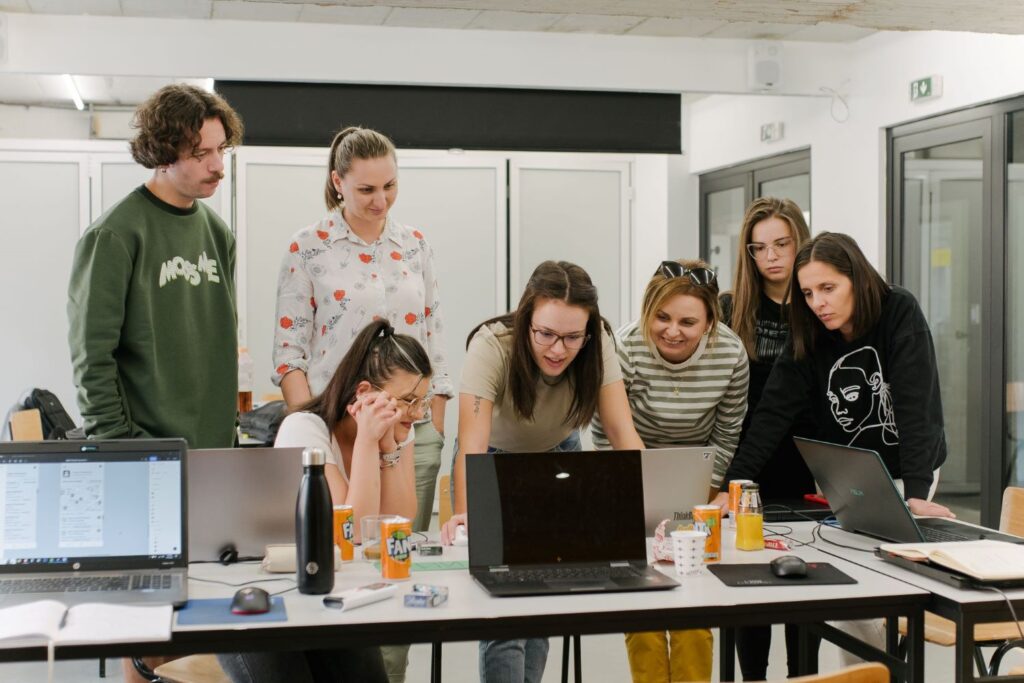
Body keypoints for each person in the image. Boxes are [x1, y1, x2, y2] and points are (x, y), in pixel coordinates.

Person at [66, 84, 243, 683]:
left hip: (212, 461)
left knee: (203, 626)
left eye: (221, 150)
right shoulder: (116, 235)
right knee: (145, 634)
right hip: (142, 461)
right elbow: (91, 358)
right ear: (163, 152)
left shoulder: (217, 234)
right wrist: (125, 449)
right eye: (200, 152)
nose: (217, 165)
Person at [712, 231, 955, 666]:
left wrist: (917, 493)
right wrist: (734, 484)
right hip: (852, 471)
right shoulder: (809, 329)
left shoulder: (899, 310)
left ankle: (875, 671)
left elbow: (916, 407)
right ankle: (869, 672)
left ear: (856, 279)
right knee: (851, 587)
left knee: (874, 586)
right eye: (808, 293)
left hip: (908, 467)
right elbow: (772, 413)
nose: (818, 303)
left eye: (828, 288)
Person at [271, 126, 451, 682]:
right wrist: (313, 431)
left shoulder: (414, 244)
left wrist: (426, 425)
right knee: (345, 554)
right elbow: (289, 352)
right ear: (337, 183)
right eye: (366, 189)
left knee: (395, 565)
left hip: (406, 424)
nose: (380, 201)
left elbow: (434, 339)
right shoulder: (309, 247)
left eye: (390, 186)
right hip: (335, 429)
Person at [441, 260, 646, 683]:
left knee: (546, 590)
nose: (557, 350)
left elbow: (622, 431)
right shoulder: (492, 344)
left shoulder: (599, 341)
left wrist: (655, 505)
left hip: (558, 455)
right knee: (506, 601)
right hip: (492, 460)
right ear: (526, 319)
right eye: (546, 334)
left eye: (572, 337)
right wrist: (467, 513)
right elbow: (472, 445)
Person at [217, 319, 427, 683]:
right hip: (266, 603)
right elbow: (352, 532)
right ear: (364, 393)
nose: (418, 413)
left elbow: (398, 523)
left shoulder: (396, 428)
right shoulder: (305, 428)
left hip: (329, 598)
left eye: (422, 401)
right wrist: (368, 441)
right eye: (409, 401)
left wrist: (388, 448)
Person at [591, 259, 748, 683]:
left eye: (688, 322)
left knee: (694, 602)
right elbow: (605, 432)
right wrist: (634, 490)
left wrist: (702, 492)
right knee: (642, 603)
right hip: (630, 477)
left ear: (710, 323)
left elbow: (727, 431)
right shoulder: (625, 348)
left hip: (696, 485)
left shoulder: (730, 353)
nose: (672, 331)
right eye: (661, 317)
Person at [718, 197, 819, 680]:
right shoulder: (729, 308)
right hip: (747, 462)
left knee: (806, 590)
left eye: (782, 243)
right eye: (759, 248)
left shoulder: (817, 304)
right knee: (750, 584)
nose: (771, 257)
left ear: (801, 241)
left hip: (805, 466)